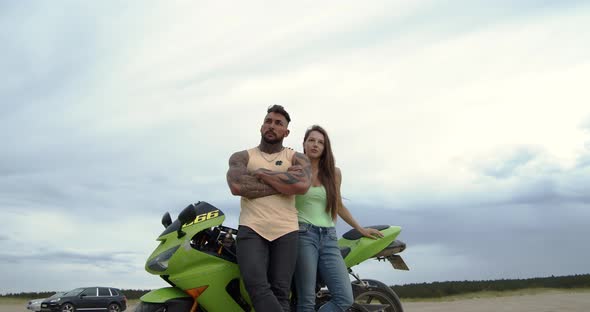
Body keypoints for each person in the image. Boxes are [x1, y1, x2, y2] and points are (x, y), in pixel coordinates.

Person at [226, 105, 312, 312]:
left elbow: (302, 186)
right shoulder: (242, 156)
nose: (271, 126)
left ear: (286, 132)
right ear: (262, 126)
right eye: (268, 121)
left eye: (278, 123)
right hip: (252, 228)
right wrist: (284, 184)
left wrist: (262, 174)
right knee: (256, 288)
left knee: (281, 293)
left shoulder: (297, 157)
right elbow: (238, 186)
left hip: (287, 230)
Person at [294, 125, 383, 312]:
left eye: (320, 142)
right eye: (311, 140)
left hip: (329, 237)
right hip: (303, 234)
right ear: (304, 144)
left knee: (344, 298)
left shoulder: (334, 173)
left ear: (326, 148)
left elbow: (338, 206)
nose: (315, 145)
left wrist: (361, 229)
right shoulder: (294, 170)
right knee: (306, 299)